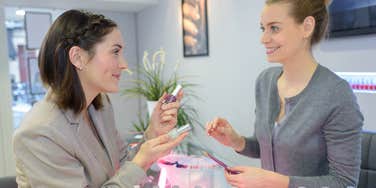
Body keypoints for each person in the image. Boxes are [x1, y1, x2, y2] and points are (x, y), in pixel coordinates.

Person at [13, 9, 187, 188]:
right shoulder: (40, 134)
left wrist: (153, 132)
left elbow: (122, 165)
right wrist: (142, 161)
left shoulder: (100, 105)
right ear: (78, 57)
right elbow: (132, 168)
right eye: (115, 52)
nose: (124, 64)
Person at [206, 0, 363, 188]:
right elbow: (267, 147)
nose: (263, 38)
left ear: (306, 27)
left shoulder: (336, 94)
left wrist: (274, 182)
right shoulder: (265, 82)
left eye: (274, 28)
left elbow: (344, 182)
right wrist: (236, 141)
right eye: (263, 28)